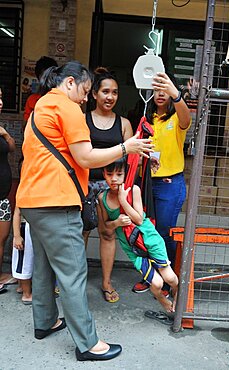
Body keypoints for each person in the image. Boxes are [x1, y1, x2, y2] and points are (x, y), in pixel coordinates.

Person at [15, 61, 153, 362]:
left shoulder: (42, 106)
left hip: (33, 202)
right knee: (73, 272)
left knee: (44, 266)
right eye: (86, 90)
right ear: (69, 83)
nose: (86, 98)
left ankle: (45, 322)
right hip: (56, 201)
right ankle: (89, 344)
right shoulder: (66, 108)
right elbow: (86, 157)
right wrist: (125, 147)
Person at [132, 72, 191, 295]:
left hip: (169, 185)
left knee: (164, 233)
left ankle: (170, 281)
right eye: (156, 89)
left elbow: (186, 119)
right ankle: (151, 277)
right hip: (146, 183)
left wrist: (176, 94)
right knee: (148, 233)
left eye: (164, 90)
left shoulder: (176, 119)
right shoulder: (146, 119)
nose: (159, 94)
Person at [98, 158, 178, 313]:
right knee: (156, 284)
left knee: (169, 278)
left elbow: (139, 219)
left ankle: (177, 290)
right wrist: (116, 223)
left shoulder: (133, 190)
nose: (114, 178)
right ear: (104, 174)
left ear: (126, 174)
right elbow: (104, 229)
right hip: (133, 247)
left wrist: (123, 201)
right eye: (109, 174)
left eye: (119, 174)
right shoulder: (102, 198)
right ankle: (162, 299)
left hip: (150, 239)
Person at [84, 67, 133, 303]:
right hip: (83, 184)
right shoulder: (82, 120)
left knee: (108, 233)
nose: (110, 97)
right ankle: (73, 280)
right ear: (94, 94)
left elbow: (130, 160)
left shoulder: (123, 124)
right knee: (79, 233)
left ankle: (106, 282)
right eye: (105, 91)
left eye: (114, 92)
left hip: (109, 187)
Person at [0, 87, 16, 290]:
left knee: (2, 238)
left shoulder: (0, 127)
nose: (1, 102)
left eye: (2, 98)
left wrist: (4, 133)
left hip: (3, 195)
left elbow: (12, 148)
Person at [23, 56, 58, 124]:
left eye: (49, 76)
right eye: (44, 76)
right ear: (38, 77)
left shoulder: (63, 100)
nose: (46, 79)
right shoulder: (32, 100)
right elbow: (25, 125)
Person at [12, 206, 33, 305]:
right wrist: (17, 236)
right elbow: (17, 213)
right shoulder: (24, 192)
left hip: (32, 228)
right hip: (25, 229)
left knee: (28, 261)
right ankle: (27, 294)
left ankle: (22, 287)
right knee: (24, 263)